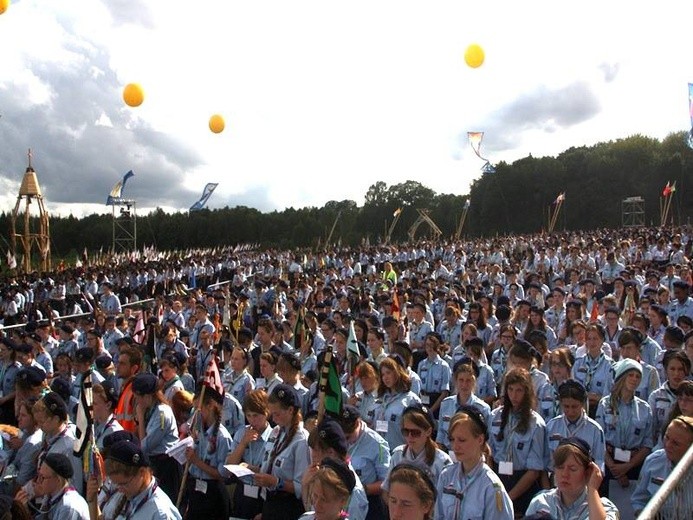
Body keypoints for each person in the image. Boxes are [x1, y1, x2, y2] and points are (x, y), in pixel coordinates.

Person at [487, 367, 546, 517]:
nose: (514, 395)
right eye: (510, 389)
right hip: (497, 479)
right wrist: (494, 487)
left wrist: (508, 497)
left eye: (519, 390)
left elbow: (534, 471)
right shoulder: (495, 417)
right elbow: (488, 454)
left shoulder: (536, 424)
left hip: (523, 484)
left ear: (527, 392)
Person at [435, 408, 513, 520]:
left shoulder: (491, 487)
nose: (455, 446)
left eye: (462, 440)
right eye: (452, 439)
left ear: (480, 440)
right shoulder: (446, 476)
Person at [595, 358, 653, 495]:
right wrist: (614, 469)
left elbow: (647, 443)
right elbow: (598, 439)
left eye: (638, 376)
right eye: (630, 375)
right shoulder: (605, 404)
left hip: (634, 465)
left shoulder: (645, 408)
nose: (634, 379)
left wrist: (628, 466)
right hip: (609, 464)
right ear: (622, 377)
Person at [253, 383, 310, 520]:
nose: (273, 419)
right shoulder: (276, 432)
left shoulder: (301, 440)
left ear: (290, 410)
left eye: (277, 414)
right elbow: (269, 464)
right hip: (270, 503)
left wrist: (275, 482)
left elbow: (301, 487)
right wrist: (253, 470)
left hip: (288, 508)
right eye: (272, 414)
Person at [526, 438, 619, 520]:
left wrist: (593, 489)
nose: (565, 474)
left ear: (587, 472)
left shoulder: (604, 507)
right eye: (560, 467)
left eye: (572, 469)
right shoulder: (540, 502)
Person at [183, 385, 233, 520]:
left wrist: (196, 461)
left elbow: (223, 475)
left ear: (210, 406)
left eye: (199, 409)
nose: (196, 413)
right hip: (195, 489)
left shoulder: (222, 437)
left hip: (213, 494)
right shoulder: (198, 430)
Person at [132, 372, 182, 502]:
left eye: (138, 397)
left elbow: (145, 446)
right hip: (155, 463)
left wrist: (141, 418)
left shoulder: (161, 414)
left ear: (148, 396)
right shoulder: (150, 410)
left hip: (166, 465)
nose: (137, 401)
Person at [102, 439, 182, 519]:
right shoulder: (128, 495)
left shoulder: (160, 513)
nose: (120, 490)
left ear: (142, 473)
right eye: (116, 484)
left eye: (123, 484)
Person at [632, 416, 693, 516]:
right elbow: (639, 500)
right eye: (667, 437)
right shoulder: (653, 462)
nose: (668, 445)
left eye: (676, 443)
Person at [227, 389, 274, 519]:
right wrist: (243, 443)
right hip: (242, 491)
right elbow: (229, 465)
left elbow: (274, 472)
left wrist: (254, 469)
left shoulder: (274, 436)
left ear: (267, 413)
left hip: (263, 494)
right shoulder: (242, 433)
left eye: (256, 416)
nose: (252, 421)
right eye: (249, 416)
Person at [338, 404, 390, 520]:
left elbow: (386, 482)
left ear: (357, 424)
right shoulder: (338, 439)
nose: (345, 442)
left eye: (348, 437)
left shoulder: (378, 444)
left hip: (369, 504)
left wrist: (362, 489)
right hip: (342, 503)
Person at [385, 404, 451, 490]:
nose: (409, 436)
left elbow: (447, 499)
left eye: (415, 432)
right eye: (405, 431)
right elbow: (386, 489)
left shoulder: (442, 461)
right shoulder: (398, 455)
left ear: (428, 431)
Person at [545, 380, 606, 472]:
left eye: (574, 407)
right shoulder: (551, 426)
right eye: (566, 406)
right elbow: (546, 461)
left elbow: (599, 463)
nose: (570, 411)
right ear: (561, 403)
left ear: (582, 404)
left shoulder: (595, 430)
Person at [436, 359, 491, 450]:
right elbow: (440, 435)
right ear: (456, 381)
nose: (464, 384)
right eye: (461, 380)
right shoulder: (446, 404)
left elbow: (485, 441)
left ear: (474, 382)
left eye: (468, 381)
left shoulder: (483, 408)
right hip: (448, 454)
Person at [16, 453, 90, 519]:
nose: (38, 481)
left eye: (42, 477)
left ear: (58, 480)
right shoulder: (50, 496)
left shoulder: (68, 507)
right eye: (38, 476)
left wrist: (23, 514)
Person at [375, 356, 421, 452]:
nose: (385, 377)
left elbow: (417, 431)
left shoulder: (410, 400)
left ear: (397, 373)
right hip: (381, 452)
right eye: (383, 375)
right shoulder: (381, 398)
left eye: (388, 373)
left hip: (401, 452)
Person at [1, 398, 42, 493]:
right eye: (19, 414)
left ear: (34, 418)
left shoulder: (32, 443)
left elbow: (21, 482)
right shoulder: (26, 432)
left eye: (23, 415)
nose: (18, 418)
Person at [92, 381, 123, 450]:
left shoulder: (115, 433)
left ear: (108, 405)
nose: (90, 407)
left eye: (94, 403)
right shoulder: (93, 425)